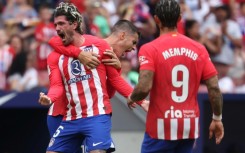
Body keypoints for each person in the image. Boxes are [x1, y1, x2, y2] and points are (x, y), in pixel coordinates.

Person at [39, 2, 145, 153]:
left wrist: (119, 70)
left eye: (61, 24)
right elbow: (54, 42)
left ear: (74, 24)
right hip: (63, 113)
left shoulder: (101, 47)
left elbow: (108, 89)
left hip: (93, 114)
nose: (134, 48)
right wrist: (79, 54)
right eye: (133, 42)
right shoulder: (60, 51)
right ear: (122, 36)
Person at [127, 0, 224, 153]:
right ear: (180, 19)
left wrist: (132, 97)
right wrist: (217, 118)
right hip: (189, 124)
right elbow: (214, 88)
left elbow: (144, 86)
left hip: (161, 125)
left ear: (156, 19)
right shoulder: (199, 48)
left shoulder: (149, 49)